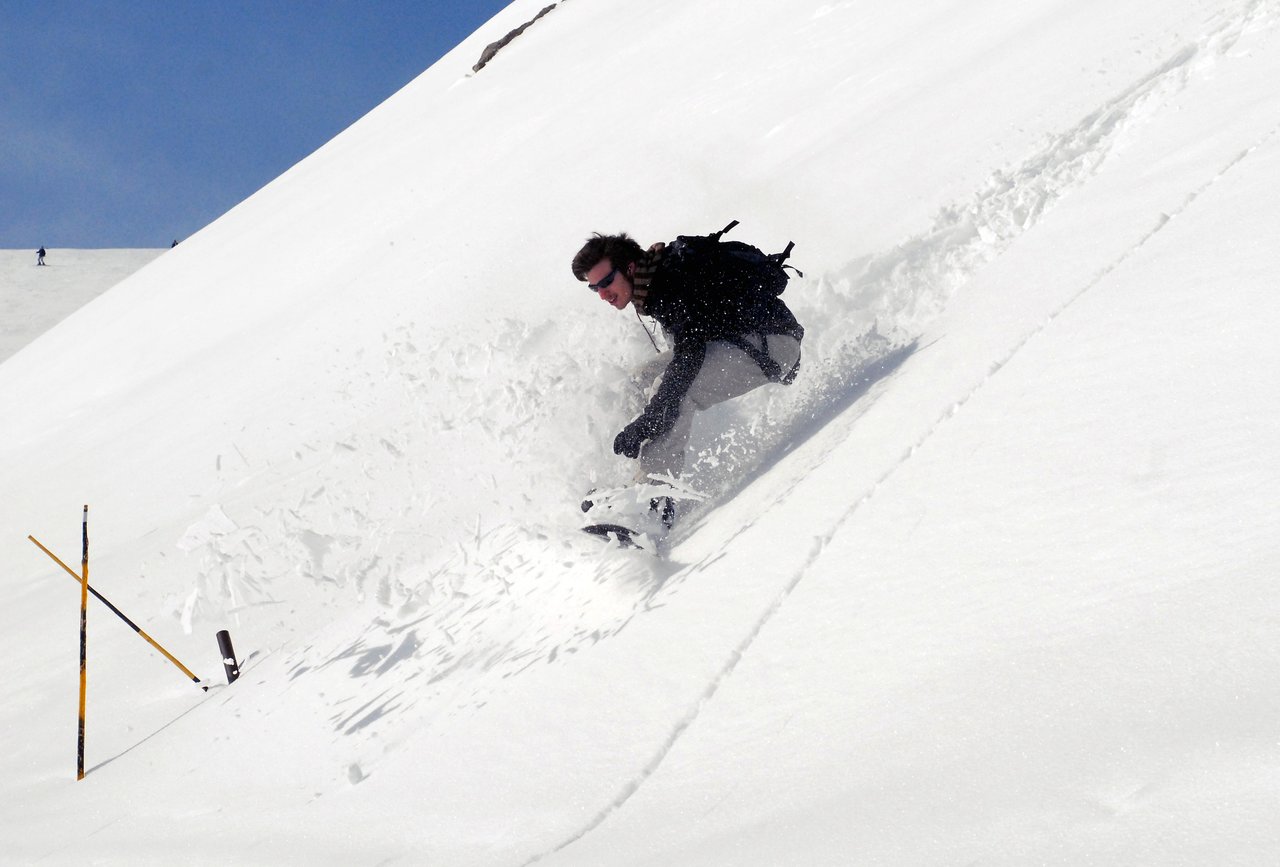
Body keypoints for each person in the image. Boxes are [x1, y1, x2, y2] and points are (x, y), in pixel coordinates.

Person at [571, 230, 804, 527]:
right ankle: (632, 485)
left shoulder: (669, 281)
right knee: (640, 380)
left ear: (629, 268)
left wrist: (651, 417)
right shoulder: (654, 277)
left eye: (606, 282)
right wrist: (648, 416)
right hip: (738, 341)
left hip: (773, 344)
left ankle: (651, 507)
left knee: (673, 393)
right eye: (595, 289)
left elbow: (689, 358)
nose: (603, 294)